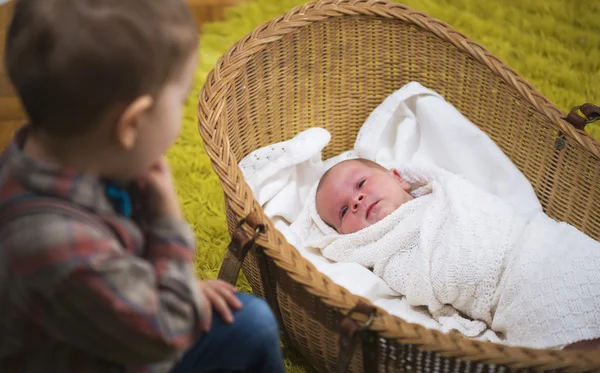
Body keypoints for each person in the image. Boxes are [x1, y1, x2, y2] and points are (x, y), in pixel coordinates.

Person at [0, 0, 285, 372]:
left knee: (246, 320)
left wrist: (164, 292)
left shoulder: (57, 150)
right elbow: (164, 334)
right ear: (130, 124)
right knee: (252, 326)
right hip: (132, 347)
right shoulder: (59, 245)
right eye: (180, 101)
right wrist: (168, 225)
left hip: (117, 321)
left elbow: (111, 281)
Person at [313, 158, 600, 350]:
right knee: (575, 346)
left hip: (540, 243)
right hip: (513, 295)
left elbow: (490, 210)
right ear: (345, 237)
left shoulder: (444, 193)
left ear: (399, 178)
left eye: (361, 184)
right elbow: (423, 288)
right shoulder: (384, 253)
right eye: (342, 211)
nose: (356, 199)